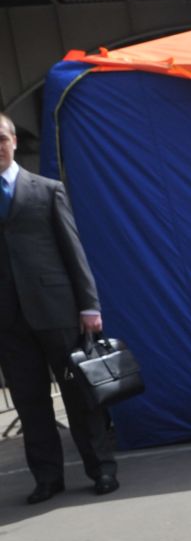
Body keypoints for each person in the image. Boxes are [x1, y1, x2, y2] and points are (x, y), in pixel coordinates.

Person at [0, 111, 118, 502]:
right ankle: (47, 478)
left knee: (80, 396)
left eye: (1, 138)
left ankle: (101, 468)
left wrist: (89, 305)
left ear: (14, 141)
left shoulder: (47, 190)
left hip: (57, 310)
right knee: (30, 402)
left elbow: (73, 250)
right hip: (8, 320)